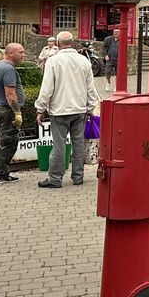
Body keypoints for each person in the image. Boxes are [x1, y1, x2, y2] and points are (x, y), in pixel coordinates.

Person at [34, 31, 100, 188]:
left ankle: (55, 178)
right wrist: (90, 108)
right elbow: (90, 88)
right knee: (78, 144)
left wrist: (40, 109)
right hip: (79, 109)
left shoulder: (53, 61)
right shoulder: (84, 61)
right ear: (73, 43)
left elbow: (47, 88)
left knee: (59, 145)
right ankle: (78, 176)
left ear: (58, 44)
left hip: (59, 110)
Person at [0, 43, 26, 184]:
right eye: (20, 52)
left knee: (2, 140)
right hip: (7, 110)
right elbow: (10, 94)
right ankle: (2, 174)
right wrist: (17, 112)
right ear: (10, 53)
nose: (23, 55)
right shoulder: (8, 69)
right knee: (9, 143)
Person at [103, 28, 120, 93]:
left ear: (120, 33)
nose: (115, 33)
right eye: (114, 32)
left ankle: (117, 86)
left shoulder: (122, 40)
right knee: (107, 72)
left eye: (117, 32)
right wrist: (105, 55)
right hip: (109, 59)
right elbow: (103, 47)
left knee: (118, 74)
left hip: (118, 60)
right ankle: (108, 82)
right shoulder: (108, 39)